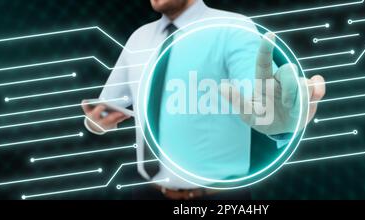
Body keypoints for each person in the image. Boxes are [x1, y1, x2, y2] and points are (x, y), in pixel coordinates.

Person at [81, 0, 326, 200]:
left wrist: (282, 119)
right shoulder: (139, 39)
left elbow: (260, 95)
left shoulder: (231, 28)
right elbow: (107, 107)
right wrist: (96, 122)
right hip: (147, 193)